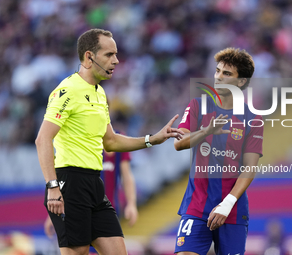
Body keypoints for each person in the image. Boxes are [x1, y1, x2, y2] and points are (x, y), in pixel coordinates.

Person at [35, 28, 184, 255]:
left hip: (95, 184)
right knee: (78, 251)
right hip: (70, 182)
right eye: (109, 54)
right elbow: (42, 139)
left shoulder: (100, 94)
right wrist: (53, 187)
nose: (116, 60)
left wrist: (152, 139)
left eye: (116, 54)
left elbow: (111, 142)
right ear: (89, 56)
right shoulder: (67, 90)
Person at [174, 48, 263, 255]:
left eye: (227, 73)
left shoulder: (253, 119)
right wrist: (206, 131)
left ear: (241, 81)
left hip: (232, 211)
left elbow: (250, 168)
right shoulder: (198, 106)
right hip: (195, 207)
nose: (218, 77)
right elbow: (179, 143)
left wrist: (228, 203)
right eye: (217, 71)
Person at [44, 136, 138, 239]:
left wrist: (131, 203)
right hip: (80, 211)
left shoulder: (115, 139)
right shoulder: (80, 139)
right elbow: (68, 177)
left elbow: (127, 175)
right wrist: (54, 212)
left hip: (109, 213)